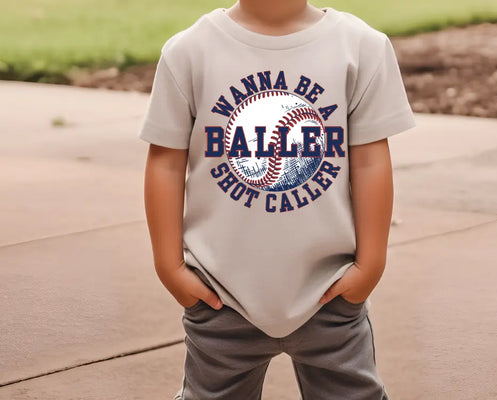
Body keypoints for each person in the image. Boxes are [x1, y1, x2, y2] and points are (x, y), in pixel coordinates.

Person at [138, 1, 416, 399]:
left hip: (330, 291)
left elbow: (371, 162)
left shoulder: (360, 47)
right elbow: (165, 163)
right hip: (219, 293)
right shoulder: (190, 51)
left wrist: (370, 264)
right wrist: (170, 266)